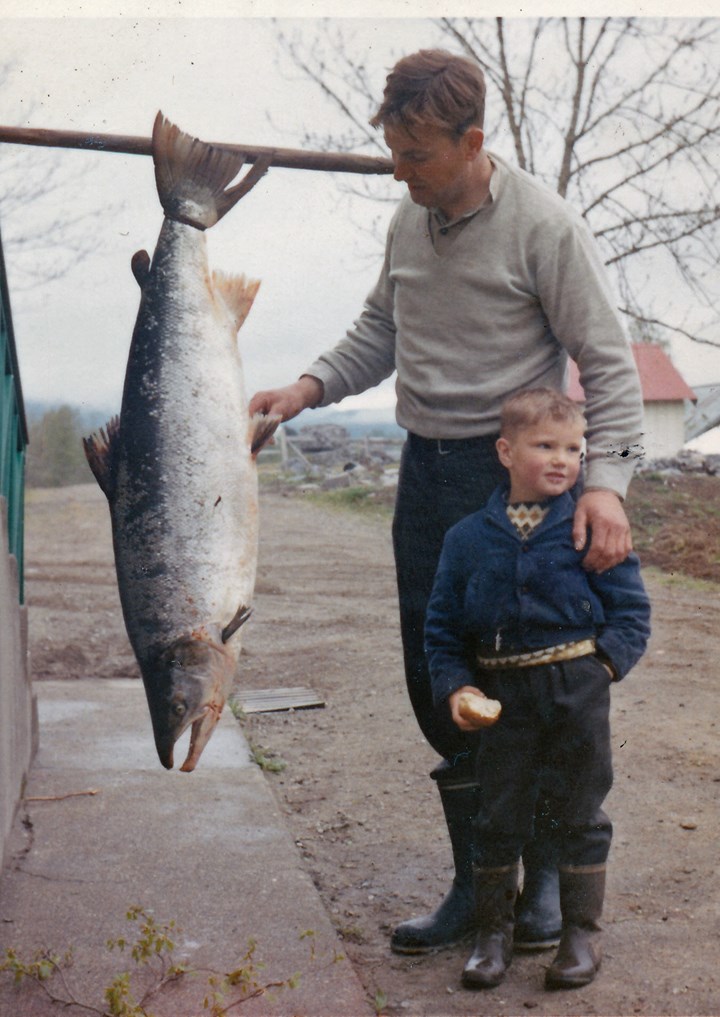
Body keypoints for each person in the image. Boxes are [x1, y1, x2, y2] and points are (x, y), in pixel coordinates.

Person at [249, 49, 645, 955]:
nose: (399, 170)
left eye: (416, 155)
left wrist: (607, 489)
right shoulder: (409, 215)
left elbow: (612, 370)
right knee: (444, 684)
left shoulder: (546, 227)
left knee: (535, 686)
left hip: (515, 485)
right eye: (393, 152)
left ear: (472, 142)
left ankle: (543, 887)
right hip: (426, 479)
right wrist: (305, 387)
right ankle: (479, 887)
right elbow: (381, 328)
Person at [424, 387, 650, 990]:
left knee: (580, 809)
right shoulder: (467, 539)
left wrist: (600, 669)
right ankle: (491, 936)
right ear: (505, 451)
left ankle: (580, 936)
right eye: (544, 445)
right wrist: (457, 690)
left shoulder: (588, 525)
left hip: (576, 690)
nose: (562, 459)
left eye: (574, 448)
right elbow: (442, 630)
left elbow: (631, 615)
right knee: (499, 813)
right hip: (504, 699)